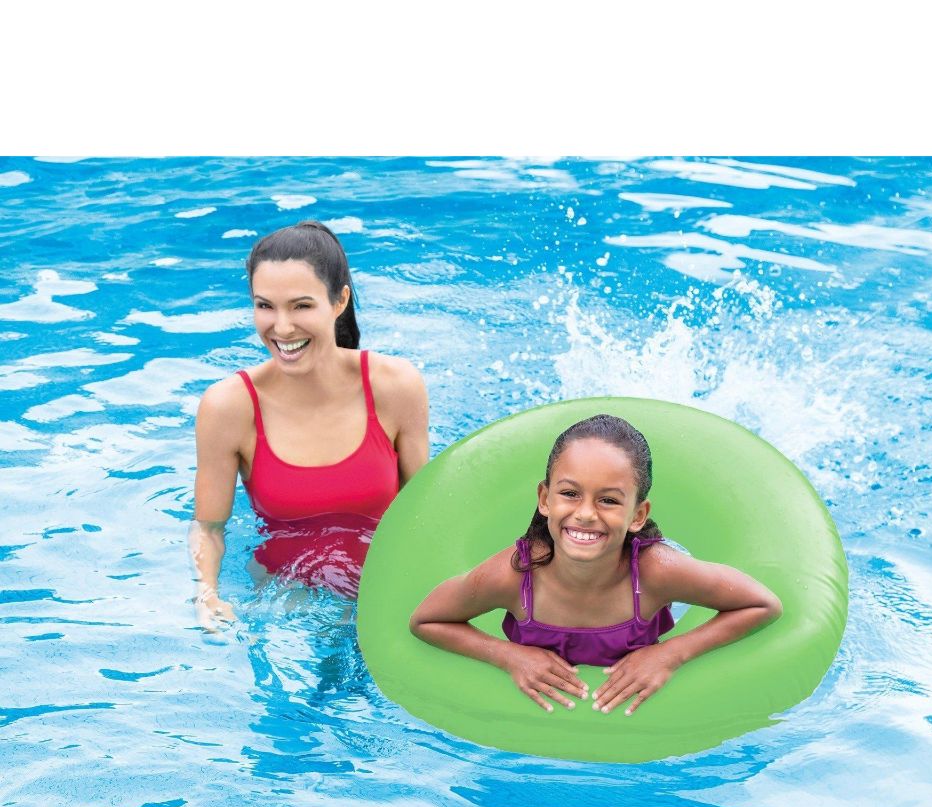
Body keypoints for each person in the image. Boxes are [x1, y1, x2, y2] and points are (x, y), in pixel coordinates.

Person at [410, 414, 782, 717]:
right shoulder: (515, 574)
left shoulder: (657, 573)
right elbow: (427, 620)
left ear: (638, 515)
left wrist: (671, 653)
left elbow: (762, 604)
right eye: (570, 494)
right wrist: (509, 656)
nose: (586, 513)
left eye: (608, 500)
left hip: (640, 591)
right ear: (545, 498)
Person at [191, 220, 429, 629]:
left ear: (339, 301)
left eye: (301, 306)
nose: (282, 327)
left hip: (386, 590)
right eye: (265, 306)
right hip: (285, 606)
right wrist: (207, 594)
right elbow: (209, 529)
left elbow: (423, 510)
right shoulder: (228, 406)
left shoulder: (395, 387)